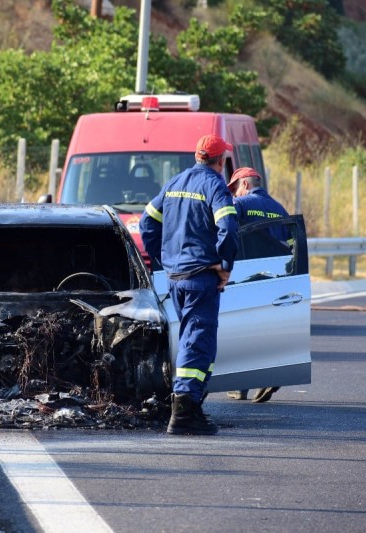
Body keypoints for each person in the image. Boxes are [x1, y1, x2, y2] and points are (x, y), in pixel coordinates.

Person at [140, 134, 239, 435]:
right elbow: (229, 226)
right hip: (200, 279)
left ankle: (193, 405)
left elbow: (146, 222)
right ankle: (183, 413)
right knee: (197, 341)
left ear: (197, 156)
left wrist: (164, 258)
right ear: (220, 161)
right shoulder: (215, 185)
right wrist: (225, 265)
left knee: (192, 340)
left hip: (176, 279)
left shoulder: (174, 183)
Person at [226, 166, 290, 404]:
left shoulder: (241, 205)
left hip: (246, 275)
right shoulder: (279, 209)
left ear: (245, 184)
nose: (233, 195)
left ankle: (239, 385)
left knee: (240, 330)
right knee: (268, 329)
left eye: (234, 189)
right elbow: (290, 244)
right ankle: (268, 374)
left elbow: (225, 231)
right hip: (276, 278)